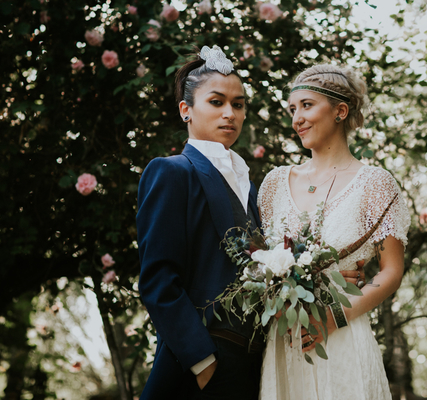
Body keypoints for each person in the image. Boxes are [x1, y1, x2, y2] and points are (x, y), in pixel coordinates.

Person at [137, 45, 365, 399]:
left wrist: (329, 276)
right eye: (216, 102)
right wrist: (202, 361)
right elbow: (157, 280)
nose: (230, 113)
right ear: (186, 110)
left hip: (255, 365)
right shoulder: (171, 172)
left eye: (238, 104)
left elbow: (275, 267)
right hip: (198, 365)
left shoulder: (254, 186)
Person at [257, 64, 411, 399]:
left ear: (340, 110)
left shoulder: (375, 184)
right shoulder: (273, 185)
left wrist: (332, 318)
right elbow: (262, 261)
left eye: (307, 105)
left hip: (342, 338)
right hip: (286, 338)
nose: (297, 118)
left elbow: (392, 271)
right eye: (292, 109)